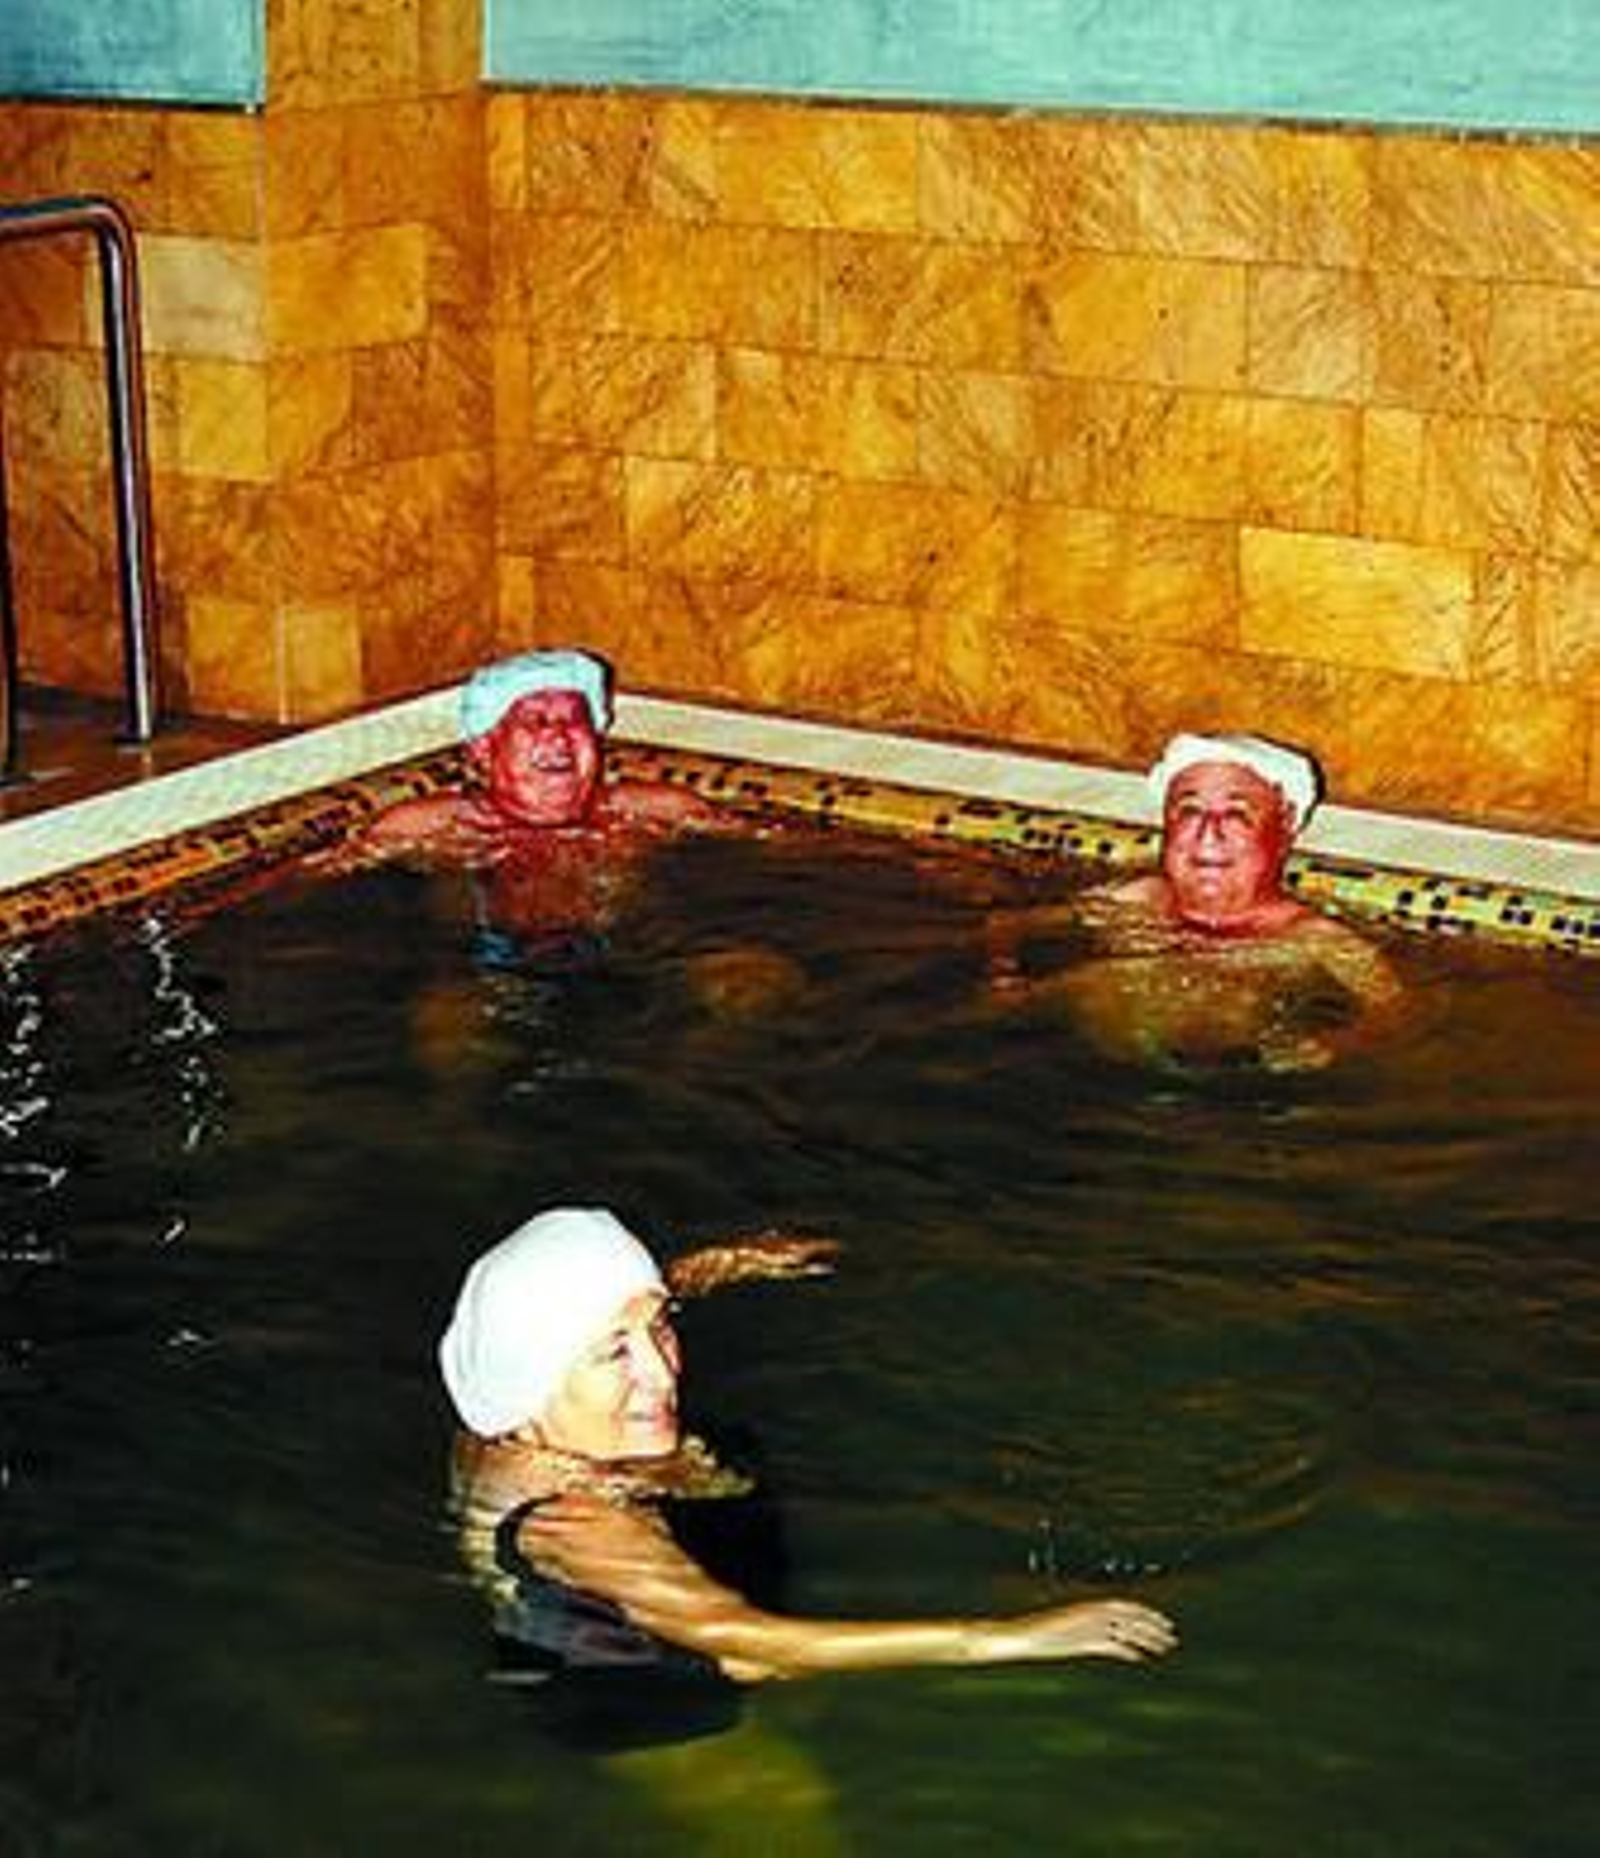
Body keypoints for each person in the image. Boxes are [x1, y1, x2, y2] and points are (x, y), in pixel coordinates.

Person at [440, 1207, 1176, 1728]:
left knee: (723, 1466)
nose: (661, 1372)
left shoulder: (507, 1394)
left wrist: (724, 1265)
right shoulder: (578, 1523)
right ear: (531, 1388)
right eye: (615, 1353)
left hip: (635, 1587)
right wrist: (1014, 1637)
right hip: (628, 1690)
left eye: (660, 1324)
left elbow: (610, 1307)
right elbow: (755, 1648)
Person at [988, 732, 1406, 1072]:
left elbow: (1395, 1014)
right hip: (1086, 1071)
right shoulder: (1135, 898)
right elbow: (1007, 925)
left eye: (1237, 815)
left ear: (1283, 830)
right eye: (1189, 812)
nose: (1208, 834)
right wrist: (1004, 975)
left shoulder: (1313, 939)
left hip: (1233, 1090)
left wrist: (1328, 1048)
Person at [357, 647, 720, 867]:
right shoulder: (419, 830)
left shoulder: (666, 813)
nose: (559, 735)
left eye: (575, 720)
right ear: (484, 749)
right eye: (535, 721)